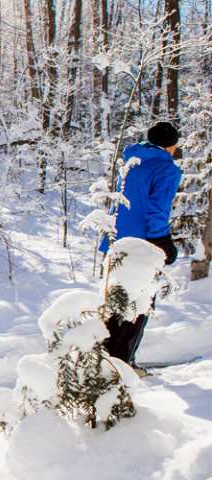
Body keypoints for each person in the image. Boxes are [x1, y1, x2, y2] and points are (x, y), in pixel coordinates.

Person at [100, 121, 182, 369]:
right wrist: (162, 241)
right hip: (142, 245)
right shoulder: (167, 169)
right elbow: (157, 209)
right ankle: (122, 366)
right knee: (139, 303)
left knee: (115, 302)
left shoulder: (132, 160)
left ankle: (104, 362)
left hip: (115, 241)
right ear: (170, 146)